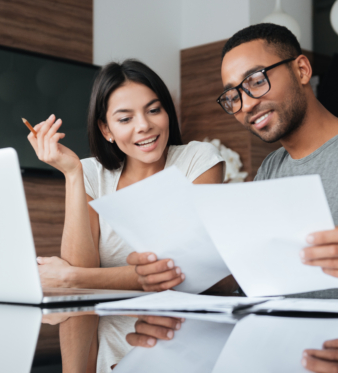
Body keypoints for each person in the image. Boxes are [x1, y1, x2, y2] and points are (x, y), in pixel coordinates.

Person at [130, 23, 338, 301]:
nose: (247, 104)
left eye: (255, 80)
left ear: (302, 70)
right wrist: (173, 273)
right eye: (232, 96)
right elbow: (256, 275)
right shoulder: (270, 169)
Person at [27, 59, 226, 366]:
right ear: (106, 130)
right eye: (125, 118)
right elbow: (83, 276)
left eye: (153, 110)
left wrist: (70, 277)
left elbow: (185, 272)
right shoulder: (91, 173)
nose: (144, 125)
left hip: (182, 341)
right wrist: (72, 174)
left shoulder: (198, 160)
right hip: (106, 346)